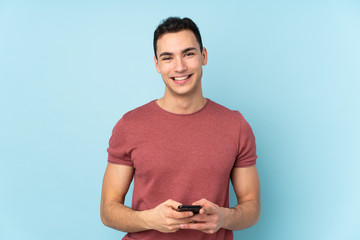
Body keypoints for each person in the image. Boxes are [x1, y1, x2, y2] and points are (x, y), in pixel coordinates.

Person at [100, 17, 260, 240]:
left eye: (188, 54)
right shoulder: (129, 125)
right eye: (168, 58)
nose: (180, 67)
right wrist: (150, 219)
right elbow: (108, 211)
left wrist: (223, 218)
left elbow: (251, 208)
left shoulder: (236, 126)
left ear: (203, 56)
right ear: (157, 65)